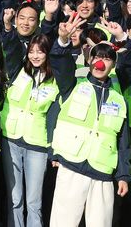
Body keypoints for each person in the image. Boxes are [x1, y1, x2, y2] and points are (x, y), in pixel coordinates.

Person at [49, 15, 130, 227]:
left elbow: (123, 141)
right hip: (72, 165)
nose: (100, 62)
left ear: (113, 64)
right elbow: (59, 61)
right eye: (96, 57)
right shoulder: (72, 84)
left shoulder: (119, 99)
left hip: (102, 172)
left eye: (107, 58)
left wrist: (123, 174)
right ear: (89, 60)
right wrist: (63, 40)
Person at [0, 6, 60, 227]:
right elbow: (11, 46)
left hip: (37, 144)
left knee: (34, 201)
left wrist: (51, 17)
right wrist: (7, 26)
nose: (35, 56)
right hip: (11, 140)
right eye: (32, 51)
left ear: (47, 53)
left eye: (40, 52)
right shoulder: (18, 69)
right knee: (14, 199)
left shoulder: (55, 79)